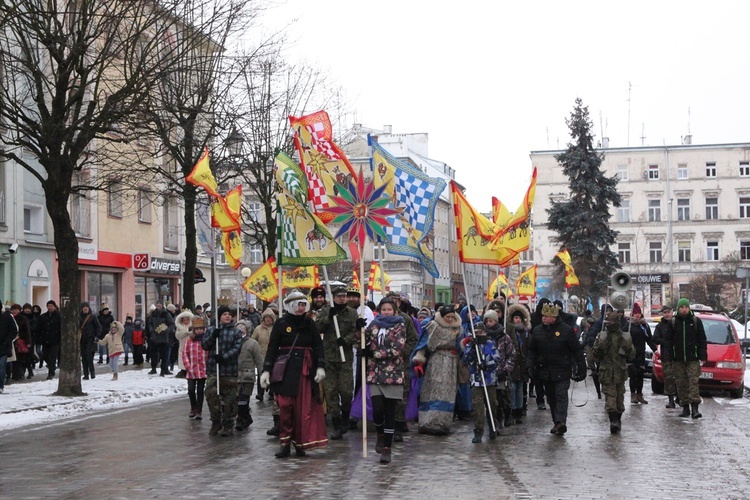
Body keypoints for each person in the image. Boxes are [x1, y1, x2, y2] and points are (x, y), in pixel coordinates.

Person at [260, 291, 327, 458]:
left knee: (303, 409)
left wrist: (320, 367)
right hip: (286, 371)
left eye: (304, 305)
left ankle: (300, 443)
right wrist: (267, 370)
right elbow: (272, 349)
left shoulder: (309, 323)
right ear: (290, 306)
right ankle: (284, 443)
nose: (301, 308)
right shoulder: (281, 324)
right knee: (285, 408)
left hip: (305, 371)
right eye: (298, 305)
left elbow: (318, 347)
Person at [526, 302, 586, 436]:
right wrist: (529, 366)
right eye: (543, 316)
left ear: (554, 317)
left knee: (561, 395)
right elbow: (531, 351)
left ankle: (561, 421)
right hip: (545, 372)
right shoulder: (537, 331)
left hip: (562, 370)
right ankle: (556, 422)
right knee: (551, 398)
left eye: (547, 316)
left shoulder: (567, 330)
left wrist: (581, 368)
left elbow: (576, 350)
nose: (543, 318)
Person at [360, 298, 406, 463]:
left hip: (393, 374)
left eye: (389, 309)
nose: (386, 312)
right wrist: (358, 329)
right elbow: (361, 341)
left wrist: (375, 354)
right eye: (384, 309)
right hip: (375, 373)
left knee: (389, 412)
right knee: (377, 409)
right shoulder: (374, 326)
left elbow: (397, 348)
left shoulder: (399, 326)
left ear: (394, 311)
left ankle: (387, 447)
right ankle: (380, 433)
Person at [315, 285, 362, 440]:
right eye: (339, 296)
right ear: (333, 297)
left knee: (346, 391)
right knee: (331, 392)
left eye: (344, 296)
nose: (342, 298)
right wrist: (329, 318)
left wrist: (346, 341)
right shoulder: (326, 311)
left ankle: (345, 419)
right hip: (329, 357)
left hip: (345, 357)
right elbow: (317, 328)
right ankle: (336, 425)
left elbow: (356, 333)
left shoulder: (352, 313)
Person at [412, 305, 462, 435]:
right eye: (447, 317)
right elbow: (423, 344)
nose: (450, 319)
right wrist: (419, 359)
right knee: (433, 389)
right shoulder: (433, 325)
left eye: (452, 317)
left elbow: (460, 344)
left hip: (451, 362)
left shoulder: (457, 328)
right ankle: (427, 421)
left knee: (447, 392)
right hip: (436, 361)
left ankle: (442, 422)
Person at [201, 305, 243, 436]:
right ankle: (215, 421)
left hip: (229, 370)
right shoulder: (212, 330)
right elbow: (205, 345)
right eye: (224, 314)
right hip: (214, 370)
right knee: (211, 395)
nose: (228, 316)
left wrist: (224, 357)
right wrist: (213, 336)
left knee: (230, 398)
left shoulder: (236, 332)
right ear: (219, 316)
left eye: (229, 314)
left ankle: (228, 423)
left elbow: (237, 348)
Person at [592, 312, 636, 433]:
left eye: (610, 322)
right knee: (610, 398)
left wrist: (627, 348)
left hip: (620, 372)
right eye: (607, 323)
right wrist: (600, 348)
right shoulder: (602, 336)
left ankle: (618, 419)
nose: (608, 325)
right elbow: (595, 354)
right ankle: (613, 421)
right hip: (606, 371)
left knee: (620, 399)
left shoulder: (624, 337)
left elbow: (632, 355)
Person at [664, 298, 707, 419]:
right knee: (681, 382)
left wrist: (703, 355)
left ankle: (695, 408)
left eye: (686, 307)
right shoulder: (673, 322)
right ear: (678, 308)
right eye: (681, 307)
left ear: (689, 308)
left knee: (693, 381)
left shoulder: (695, 321)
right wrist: (668, 356)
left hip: (692, 357)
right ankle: (685, 407)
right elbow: (668, 341)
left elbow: (702, 339)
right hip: (678, 358)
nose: (684, 309)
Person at [384, 290, 418, 440]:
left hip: (400, 362)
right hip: (383, 363)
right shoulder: (380, 321)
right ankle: (386, 425)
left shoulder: (405, 319)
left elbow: (412, 339)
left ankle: (398, 425)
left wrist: (404, 353)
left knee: (400, 395)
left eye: (395, 300)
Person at [461, 322, 500, 443]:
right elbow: (466, 359)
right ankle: (478, 431)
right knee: (477, 407)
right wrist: (472, 348)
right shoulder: (471, 345)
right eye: (475, 333)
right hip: (477, 381)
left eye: (480, 332)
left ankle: (493, 426)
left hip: (490, 380)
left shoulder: (490, 344)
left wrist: (486, 364)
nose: (478, 335)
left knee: (492, 404)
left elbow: (497, 359)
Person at [483, 308, 515, 428]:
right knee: (492, 399)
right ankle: (495, 420)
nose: (488, 324)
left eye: (491, 321)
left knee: (503, 396)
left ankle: (507, 415)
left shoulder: (504, 337)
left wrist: (506, 369)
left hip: (502, 371)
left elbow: (511, 354)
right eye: (487, 321)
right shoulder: (484, 337)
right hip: (488, 373)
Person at [236, 320, 264, 431]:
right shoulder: (233, 342)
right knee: (237, 399)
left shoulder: (253, 344)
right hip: (235, 375)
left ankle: (241, 419)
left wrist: (262, 374)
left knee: (243, 399)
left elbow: (259, 361)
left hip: (248, 376)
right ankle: (245, 416)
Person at [506, 304, 531, 423]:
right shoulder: (509, 332)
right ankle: (512, 409)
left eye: (519, 318)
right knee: (513, 387)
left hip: (522, 363)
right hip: (513, 363)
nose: (517, 320)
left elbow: (529, 347)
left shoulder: (526, 333)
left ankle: (519, 410)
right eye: (515, 318)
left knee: (520, 388)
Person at [627, 303, 655, 404]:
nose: (637, 315)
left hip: (641, 354)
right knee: (633, 375)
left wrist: (655, 350)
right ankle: (633, 395)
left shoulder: (644, 326)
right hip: (631, 355)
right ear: (632, 314)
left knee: (640, 375)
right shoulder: (629, 325)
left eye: (639, 313)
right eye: (635, 313)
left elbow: (649, 340)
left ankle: (639, 395)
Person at [183, 316, 208, 419]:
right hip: (192, 370)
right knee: (191, 389)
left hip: (202, 370)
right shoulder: (189, 341)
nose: (198, 331)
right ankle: (193, 407)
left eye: (200, 329)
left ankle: (199, 410)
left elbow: (208, 353)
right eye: (197, 329)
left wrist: (207, 365)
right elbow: (185, 353)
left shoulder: (206, 340)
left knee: (200, 390)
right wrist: (188, 366)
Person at [652, 305, 677, 408]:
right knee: (668, 378)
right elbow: (655, 338)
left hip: (678, 355)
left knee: (680, 377)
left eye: (668, 312)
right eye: (665, 312)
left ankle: (680, 397)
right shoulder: (660, 326)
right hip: (666, 355)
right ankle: (671, 399)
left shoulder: (677, 323)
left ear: (672, 312)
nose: (667, 314)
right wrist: (666, 341)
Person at [251, 308, 276, 401]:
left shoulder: (276, 328)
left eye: (270, 317)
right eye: (266, 317)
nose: (268, 319)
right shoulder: (258, 329)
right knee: (262, 373)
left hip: (273, 355)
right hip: (261, 355)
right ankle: (260, 393)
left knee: (273, 373)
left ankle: (272, 391)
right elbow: (253, 340)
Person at [147, 301, 175, 376]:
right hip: (154, 337)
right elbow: (149, 323)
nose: (158, 305)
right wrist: (151, 330)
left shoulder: (166, 314)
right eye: (157, 304)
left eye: (160, 304)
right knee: (153, 354)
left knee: (164, 355)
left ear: (162, 305)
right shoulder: (153, 314)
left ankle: (163, 370)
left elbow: (172, 324)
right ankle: (153, 368)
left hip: (164, 337)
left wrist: (166, 331)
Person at [37, 300, 61, 380]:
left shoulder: (59, 316)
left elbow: (62, 328)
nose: (50, 307)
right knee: (45, 355)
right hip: (45, 340)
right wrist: (40, 338)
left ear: (54, 306)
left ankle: (51, 373)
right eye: (49, 306)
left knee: (53, 356)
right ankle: (52, 366)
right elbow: (39, 328)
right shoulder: (43, 316)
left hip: (56, 340)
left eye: (51, 306)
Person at [10, 304, 33, 381]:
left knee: (20, 359)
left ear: (19, 310)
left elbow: (27, 331)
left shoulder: (23, 319)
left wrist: (28, 341)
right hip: (12, 341)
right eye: (13, 309)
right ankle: (19, 374)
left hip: (21, 341)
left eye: (16, 309)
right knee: (16, 359)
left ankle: (17, 375)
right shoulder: (10, 318)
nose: (14, 311)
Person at [80, 302, 102, 380]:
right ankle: (86, 374)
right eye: (84, 307)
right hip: (82, 339)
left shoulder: (92, 317)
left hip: (91, 339)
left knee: (88, 355)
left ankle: (92, 372)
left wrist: (97, 336)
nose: (85, 308)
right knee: (83, 357)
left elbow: (98, 327)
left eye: (87, 307)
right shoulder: (79, 317)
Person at [0, 306, 18, 393]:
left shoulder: (7, 317)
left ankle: (0, 385)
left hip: (3, 347)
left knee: (2, 366)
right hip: (4, 345)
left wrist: (7, 340)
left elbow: (14, 330)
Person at [173, 310, 194, 379]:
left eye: (187, 319)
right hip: (182, 345)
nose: (186, 321)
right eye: (184, 320)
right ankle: (183, 370)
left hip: (191, 346)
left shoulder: (193, 326)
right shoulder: (179, 327)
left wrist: (186, 332)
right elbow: (178, 335)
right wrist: (187, 331)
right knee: (182, 357)